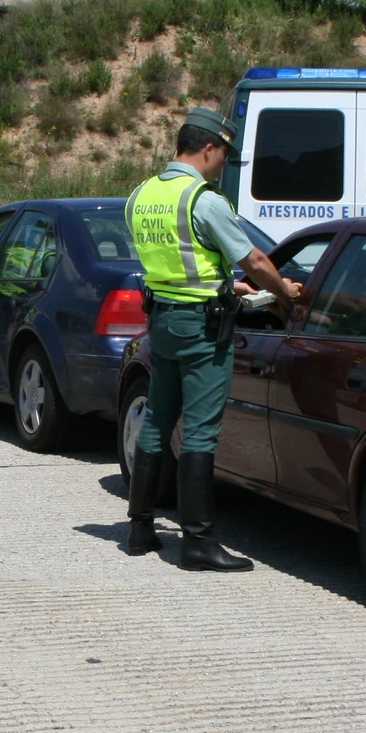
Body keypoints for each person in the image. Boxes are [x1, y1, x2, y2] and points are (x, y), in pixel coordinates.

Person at [124, 109, 300, 572]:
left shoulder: (142, 195)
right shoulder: (203, 198)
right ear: (209, 148)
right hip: (201, 329)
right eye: (224, 155)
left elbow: (178, 262)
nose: (224, 164)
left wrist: (226, 285)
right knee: (201, 430)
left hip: (161, 320)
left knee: (158, 420)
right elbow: (256, 258)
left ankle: (140, 528)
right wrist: (282, 292)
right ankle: (198, 543)